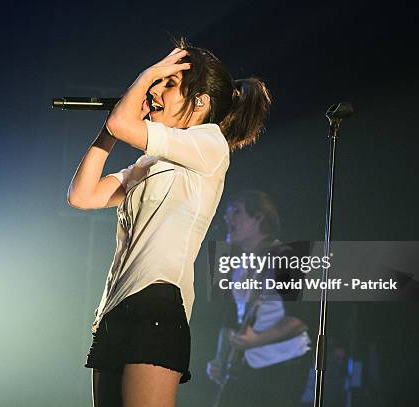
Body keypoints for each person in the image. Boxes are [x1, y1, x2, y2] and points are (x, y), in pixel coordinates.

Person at [67, 40, 271, 407]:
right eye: (158, 83)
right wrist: (109, 130)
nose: (156, 91)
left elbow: (123, 122)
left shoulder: (210, 144)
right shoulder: (147, 164)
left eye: (169, 84)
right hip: (114, 308)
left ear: (201, 101)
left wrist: (146, 76)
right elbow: (82, 195)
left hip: (157, 304)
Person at [207, 190, 313, 407]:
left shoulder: (286, 257)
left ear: (259, 218)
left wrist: (257, 340)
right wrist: (220, 359)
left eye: (236, 212)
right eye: (227, 214)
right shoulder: (234, 264)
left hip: (282, 367)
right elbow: (229, 321)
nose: (227, 218)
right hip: (245, 367)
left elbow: (300, 319)